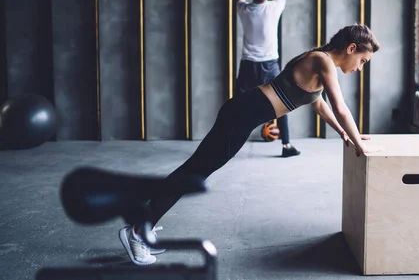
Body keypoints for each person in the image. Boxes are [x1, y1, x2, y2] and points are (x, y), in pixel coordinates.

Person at [119, 23, 381, 266]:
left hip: (242, 115)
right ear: (351, 48)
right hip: (241, 115)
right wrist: (359, 143)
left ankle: (144, 223)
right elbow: (340, 106)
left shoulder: (319, 61)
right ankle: (138, 230)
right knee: (193, 173)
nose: (359, 68)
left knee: (194, 171)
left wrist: (346, 135)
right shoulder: (322, 60)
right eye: (363, 61)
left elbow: (319, 104)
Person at [235, 0, 300, 157]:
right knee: (281, 103)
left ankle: (231, 142)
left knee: (238, 105)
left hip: (248, 65)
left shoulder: (244, 9)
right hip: (269, 65)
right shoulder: (274, 7)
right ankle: (286, 146)